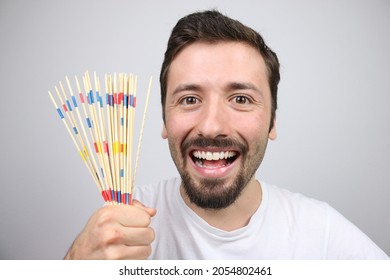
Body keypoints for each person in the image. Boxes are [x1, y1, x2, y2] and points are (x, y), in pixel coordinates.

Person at [64, 10, 389, 260]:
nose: (211, 125)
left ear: (272, 121)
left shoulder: (322, 234)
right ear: (164, 119)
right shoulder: (123, 228)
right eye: (190, 99)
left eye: (241, 99)